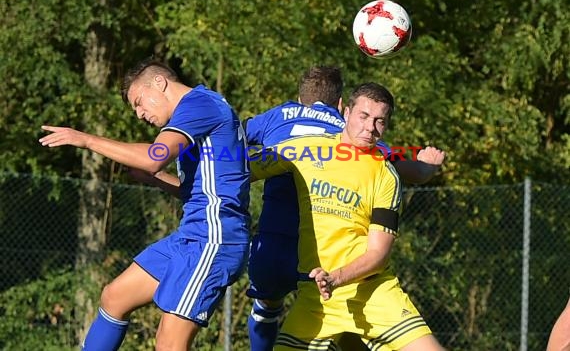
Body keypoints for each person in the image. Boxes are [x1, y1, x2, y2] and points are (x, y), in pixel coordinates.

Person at [39, 58, 251, 351]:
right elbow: (192, 190)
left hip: (213, 239)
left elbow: (154, 156)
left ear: (160, 83)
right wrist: (156, 179)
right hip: (191, 236)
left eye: (139, 102)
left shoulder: (199, 104)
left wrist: (86, 140)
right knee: (114, 297)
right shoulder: (197, 115)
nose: (139, 114)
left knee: (168, 343)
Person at [244, 67, 445, 351]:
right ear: (345, 113)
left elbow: (378, 252)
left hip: (372, 292)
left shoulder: (385, 174)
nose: (370, 127)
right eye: (363, 116)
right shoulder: (306, 150)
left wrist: (336, 278)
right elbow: (237, 169)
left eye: (380, 121)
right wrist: (173, 169)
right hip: (316, 300)